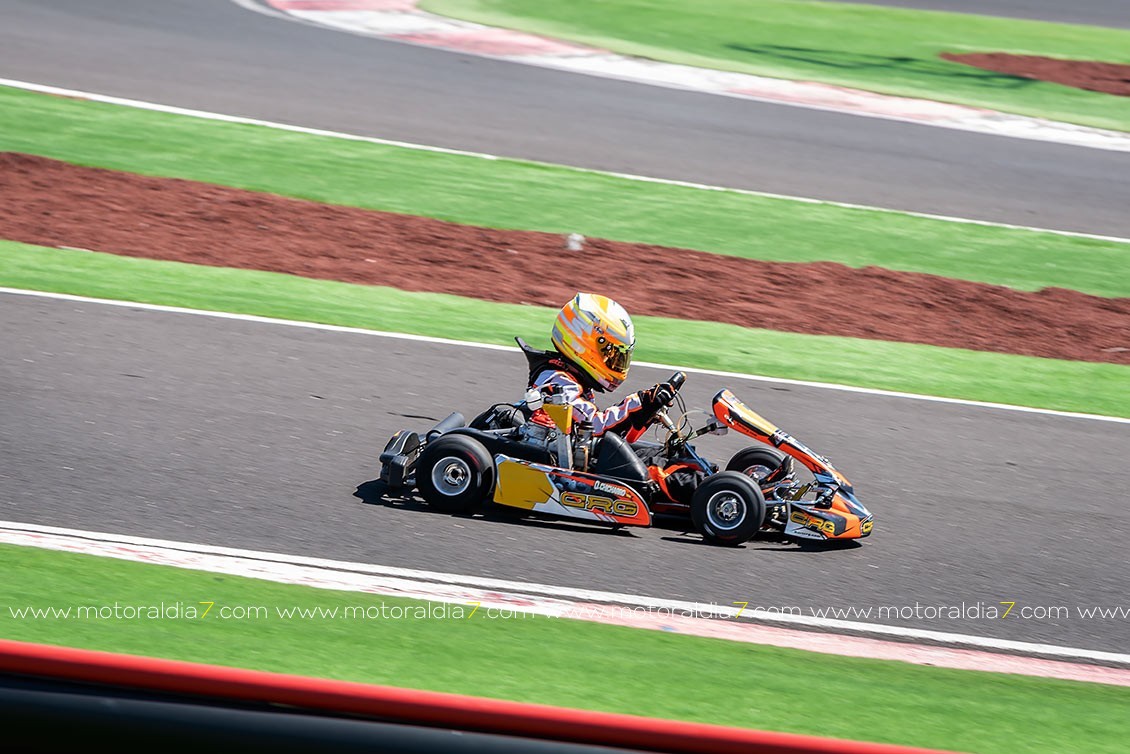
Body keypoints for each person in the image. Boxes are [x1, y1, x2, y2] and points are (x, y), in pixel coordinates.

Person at [524, 292, 676, 442]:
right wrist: (641, 402)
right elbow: (595, 427)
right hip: (552, 457)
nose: (614, 360)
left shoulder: (574, 379)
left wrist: (647, 411)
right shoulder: (556, 381)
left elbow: (620, 437)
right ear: (583, 342)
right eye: (608, 352)